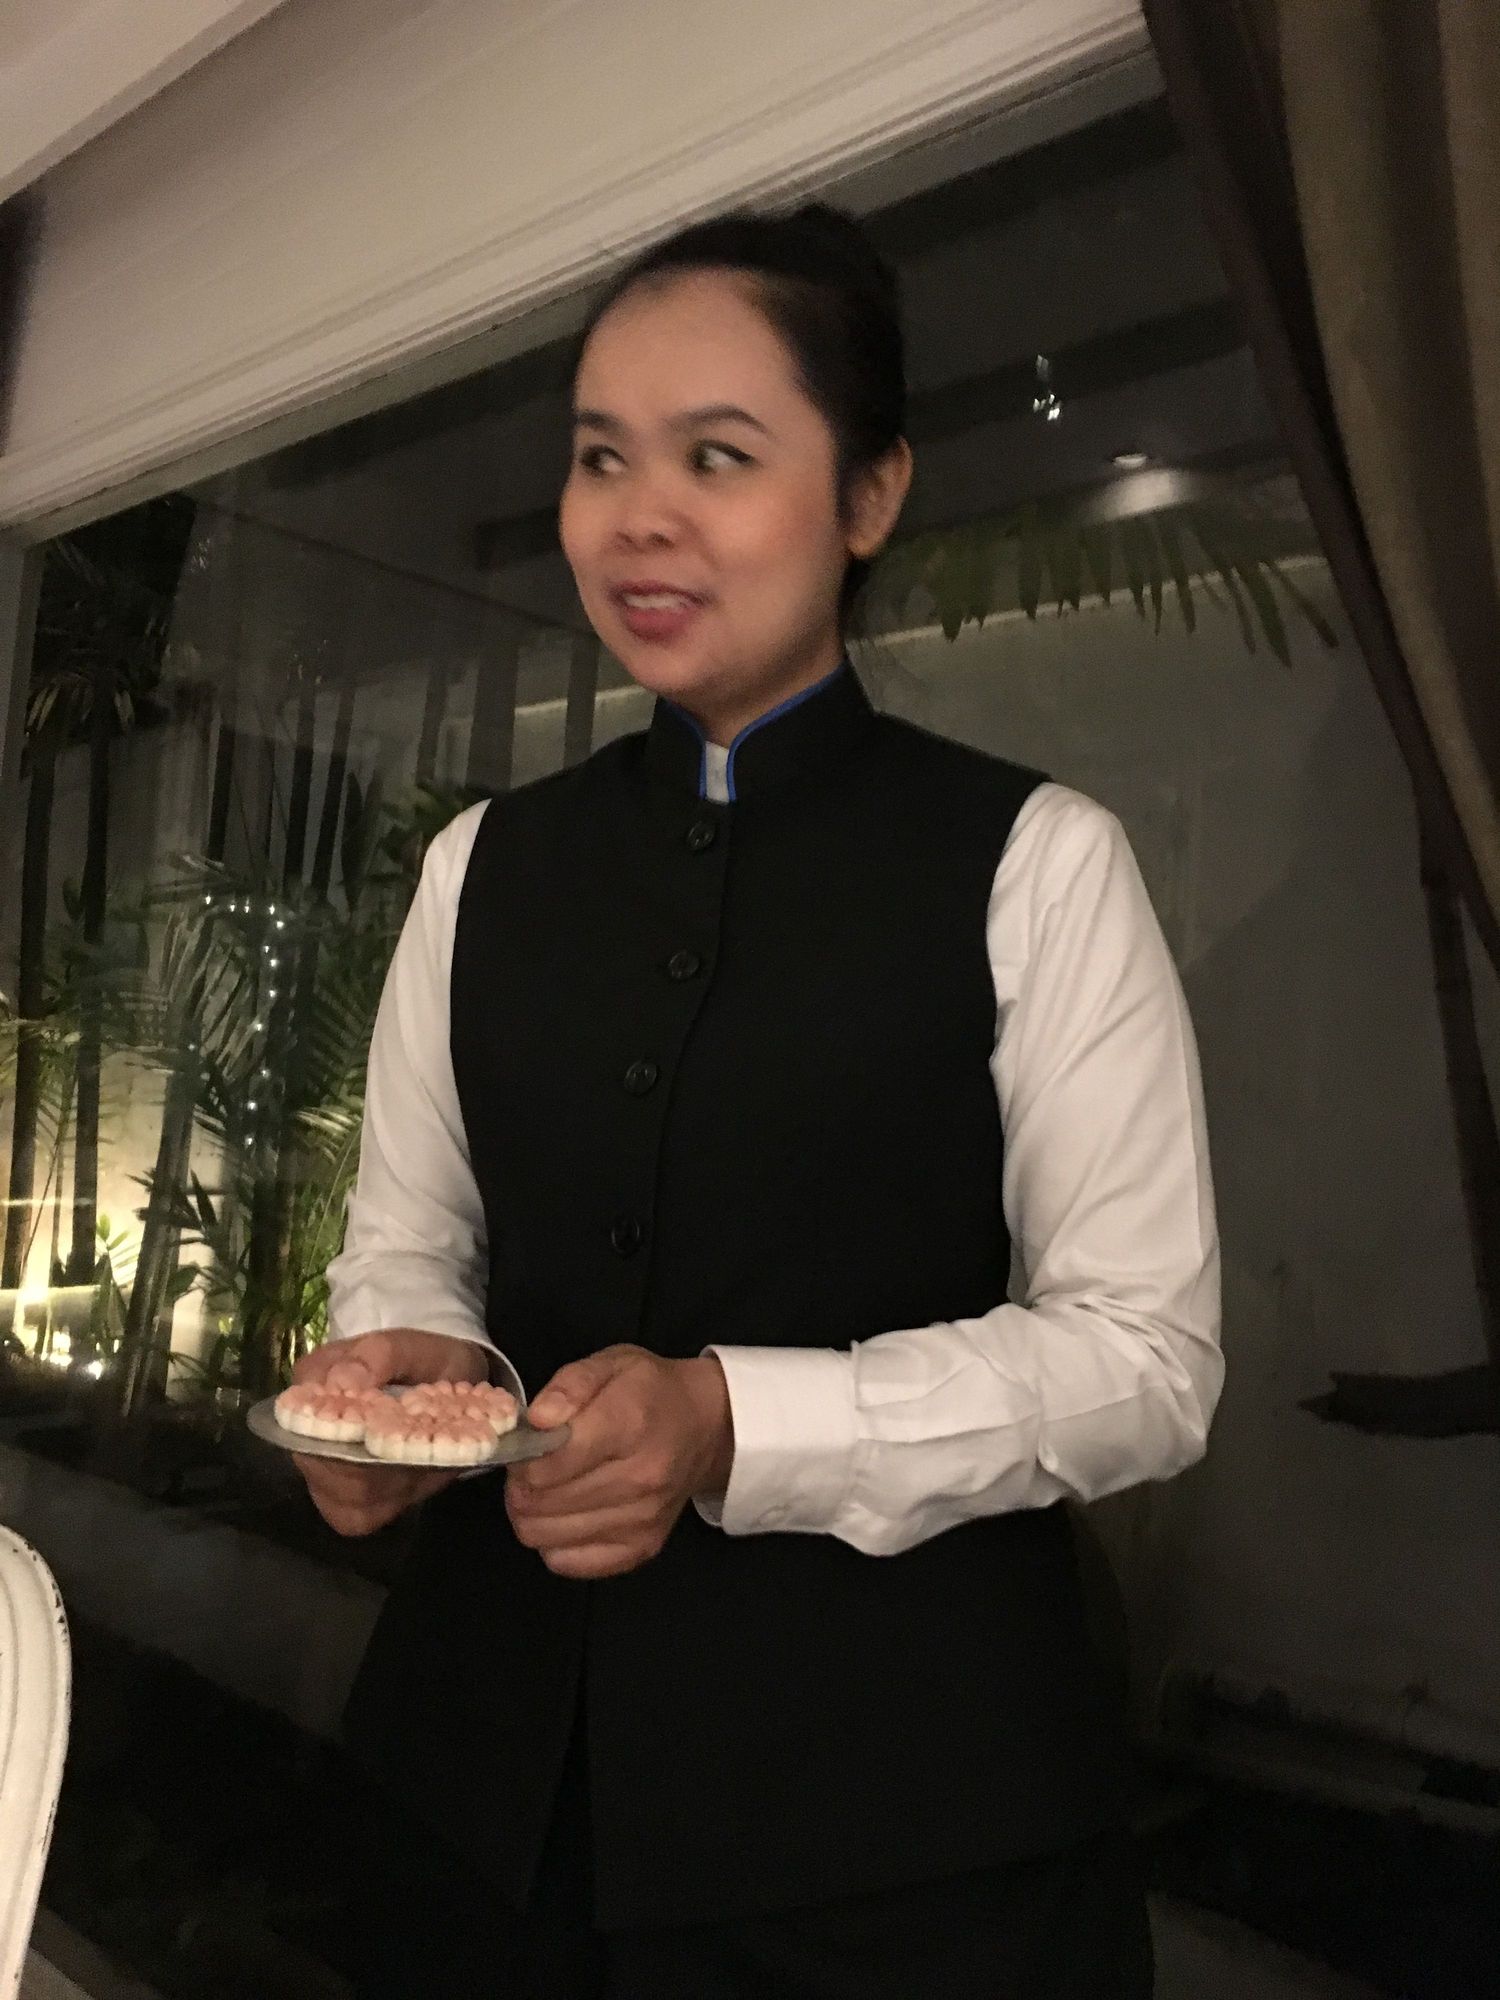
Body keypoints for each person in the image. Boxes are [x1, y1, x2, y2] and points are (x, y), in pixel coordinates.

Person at [292, 200, 1223, 1998]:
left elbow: (1146, 1360)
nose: (639, 514)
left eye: (718, 456)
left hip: (903, 1855)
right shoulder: (482, 868)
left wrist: (734, 1422)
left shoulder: (1036, 863)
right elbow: (414, 1244)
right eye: (601, 457)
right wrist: (411, 1378)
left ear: (869, 495)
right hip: (484, 1816)